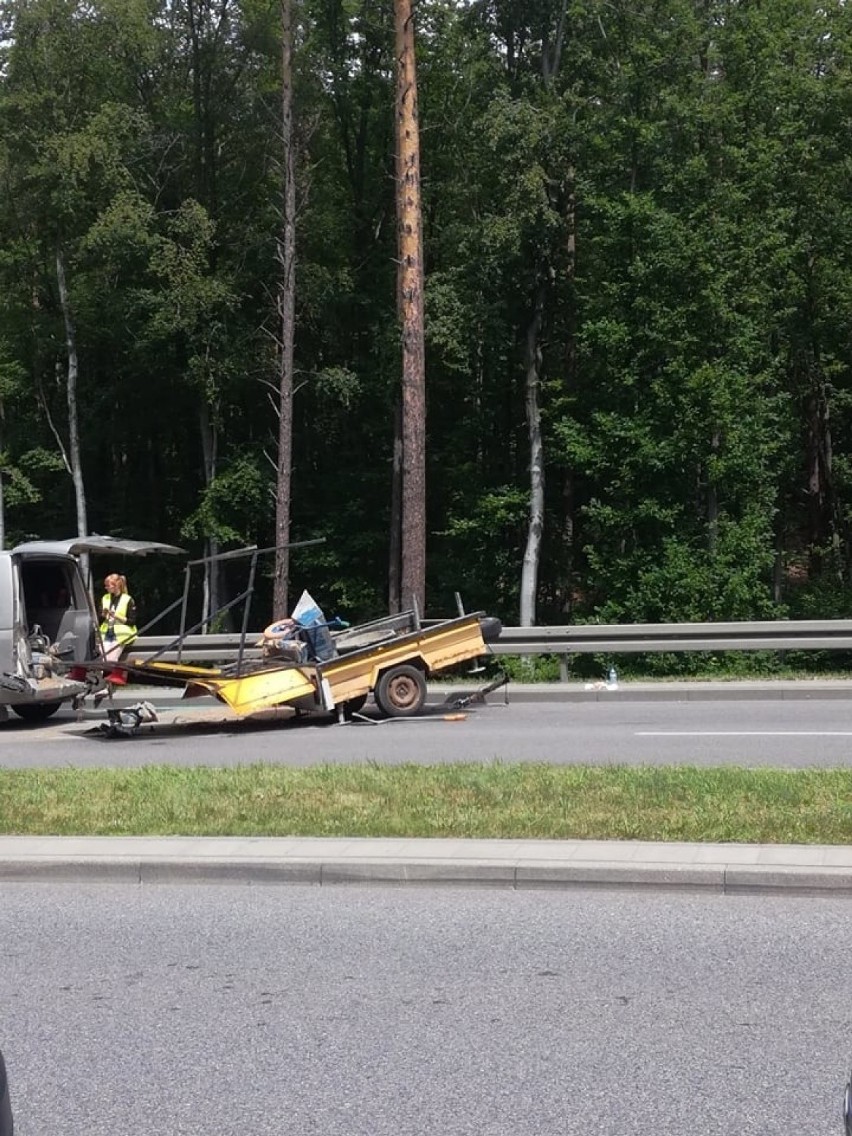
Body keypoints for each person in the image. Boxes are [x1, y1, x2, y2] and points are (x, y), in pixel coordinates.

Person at [99, 573, 137, 685]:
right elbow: (100, 616)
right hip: (106, 632)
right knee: (103, 659)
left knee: (111, 659)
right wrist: (104, 614)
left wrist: (116, 616)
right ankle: (103, 684)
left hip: (121, 635)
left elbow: (132, 621)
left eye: (108, 586)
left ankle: (107, 686)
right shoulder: (105, 598)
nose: (106, 588)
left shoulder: (128, 599)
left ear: (116, 586)